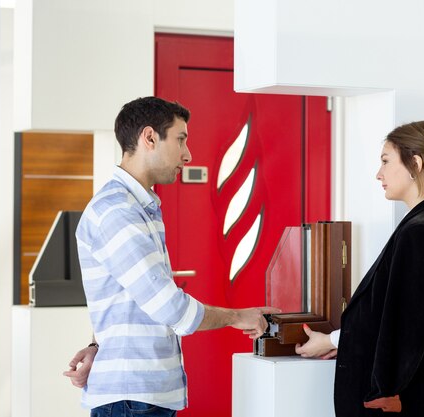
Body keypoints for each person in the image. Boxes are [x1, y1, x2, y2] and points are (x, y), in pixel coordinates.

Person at [62, 96, 279, 417]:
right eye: (180, 139)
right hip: (132, 399)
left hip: (140, 395)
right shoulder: (118, 211)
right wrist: (238, 316)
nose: (187, 155)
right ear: (149, 137)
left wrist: (97, 346)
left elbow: (128, 298)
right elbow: (169, 307)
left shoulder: (139, 207)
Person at [296, 121, 424, 417]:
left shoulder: (421, 230)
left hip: (408, 398)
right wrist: (343, 342)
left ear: (415, 163)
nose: (379, 173)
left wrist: (331, 341)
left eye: (386, 161)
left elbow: (409, 324)